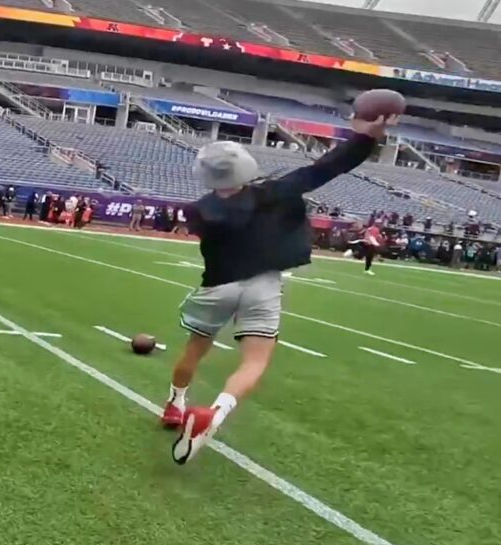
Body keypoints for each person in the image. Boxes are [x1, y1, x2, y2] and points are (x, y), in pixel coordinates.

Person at [161, 114, 396, 465]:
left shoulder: (200, 211)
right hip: (264, 284)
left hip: (217, 285)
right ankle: (216, 412)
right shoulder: (275, 191)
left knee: (195, 349)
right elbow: (327, 167)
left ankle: (176, 403)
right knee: (255, 361)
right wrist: (365, 138)